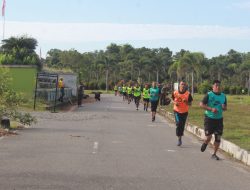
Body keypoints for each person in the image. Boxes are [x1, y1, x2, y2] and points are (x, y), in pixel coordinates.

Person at [200, 80, 227, 160]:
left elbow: (225, 108)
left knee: (218, 137)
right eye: (216, 86)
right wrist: (211, 109)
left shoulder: (223, 96)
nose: (218, 87)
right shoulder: (209, 95)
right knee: (208, 137)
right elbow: (201, 104)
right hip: (209, 118)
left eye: (219, 86)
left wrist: (224, 107)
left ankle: (214, 154)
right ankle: (205, 142)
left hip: (219, 119)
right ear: (213, 87)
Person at [172, 80, 193, 146]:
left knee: (182, 125)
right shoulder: (175, 93)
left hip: (184, 112)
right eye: (182, 84)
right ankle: (179, 139)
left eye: (184, 84)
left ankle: (180, 135)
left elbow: (190, 104)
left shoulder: (188, 94)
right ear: (179, 85)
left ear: (185, 86)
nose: (183, 86)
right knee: (178, 124)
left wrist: (186, 102)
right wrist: (175, 103)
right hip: (177, 111)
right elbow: (172, 100)